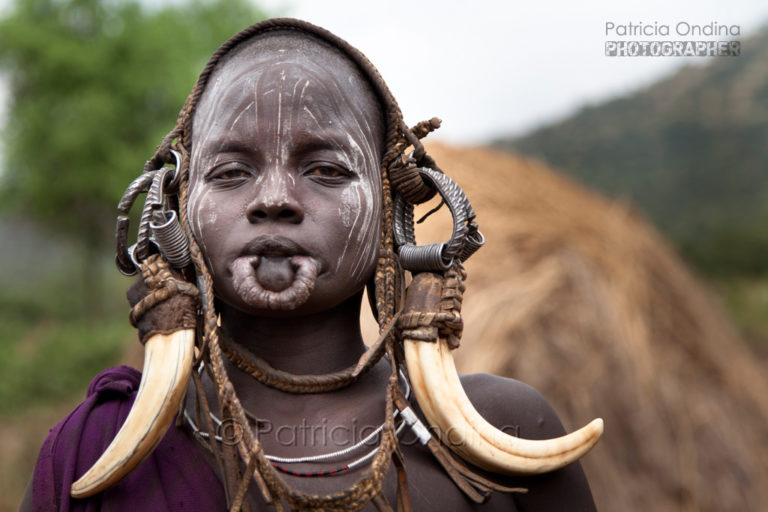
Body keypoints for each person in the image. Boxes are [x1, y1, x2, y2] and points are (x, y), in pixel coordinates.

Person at [22, 18, 601, 511]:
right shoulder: (101, 445)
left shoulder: (505, 428)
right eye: (230, 172)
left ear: (393, 205)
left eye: (325, 170)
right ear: (175, 209)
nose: (273, 197)